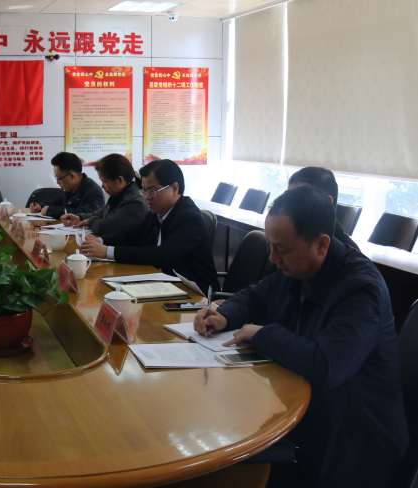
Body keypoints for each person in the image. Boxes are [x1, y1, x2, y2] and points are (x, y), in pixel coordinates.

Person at [193, 185, 408, 488]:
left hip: (351, 443)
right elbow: (256, 295)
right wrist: (224, 314)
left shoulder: (360, 288)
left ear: (321, 244)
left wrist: (263, 334)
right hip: (303, 412)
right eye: (270, 246)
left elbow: (327, 365)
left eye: (281, 248)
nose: (273, 258)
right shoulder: (298, 268)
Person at [80, 159, 220, 295]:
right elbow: (132, 235)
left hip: (196, 294)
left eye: (152, 191)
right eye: (144, 191)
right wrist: (101, 241)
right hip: (164, 284)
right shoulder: (157, 212)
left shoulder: (190, 218)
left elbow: (163, 255)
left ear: (174, 188)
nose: (147, 197)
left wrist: (108, 252)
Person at [61, 153, 148, 235]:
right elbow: (101, 213)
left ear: (120, 180)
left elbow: (104, 227)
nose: (102, 186)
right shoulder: (120, 195)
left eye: (105, 182)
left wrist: (89, 221)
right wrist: (79, 218)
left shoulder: (135, 202)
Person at [287, 166, 359, 250]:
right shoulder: (287, 236)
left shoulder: (347, 254)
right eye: (287, 198)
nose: (287, 205)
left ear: (326, 203)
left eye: (298, 199)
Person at [29, 152, 104, 218]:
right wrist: (40, 206)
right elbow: (55, 201)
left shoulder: (94, 193)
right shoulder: (70, 189)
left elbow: (85, 214)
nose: (57, 182)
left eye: (59, 178)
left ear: (72, 176)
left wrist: (50, 210)